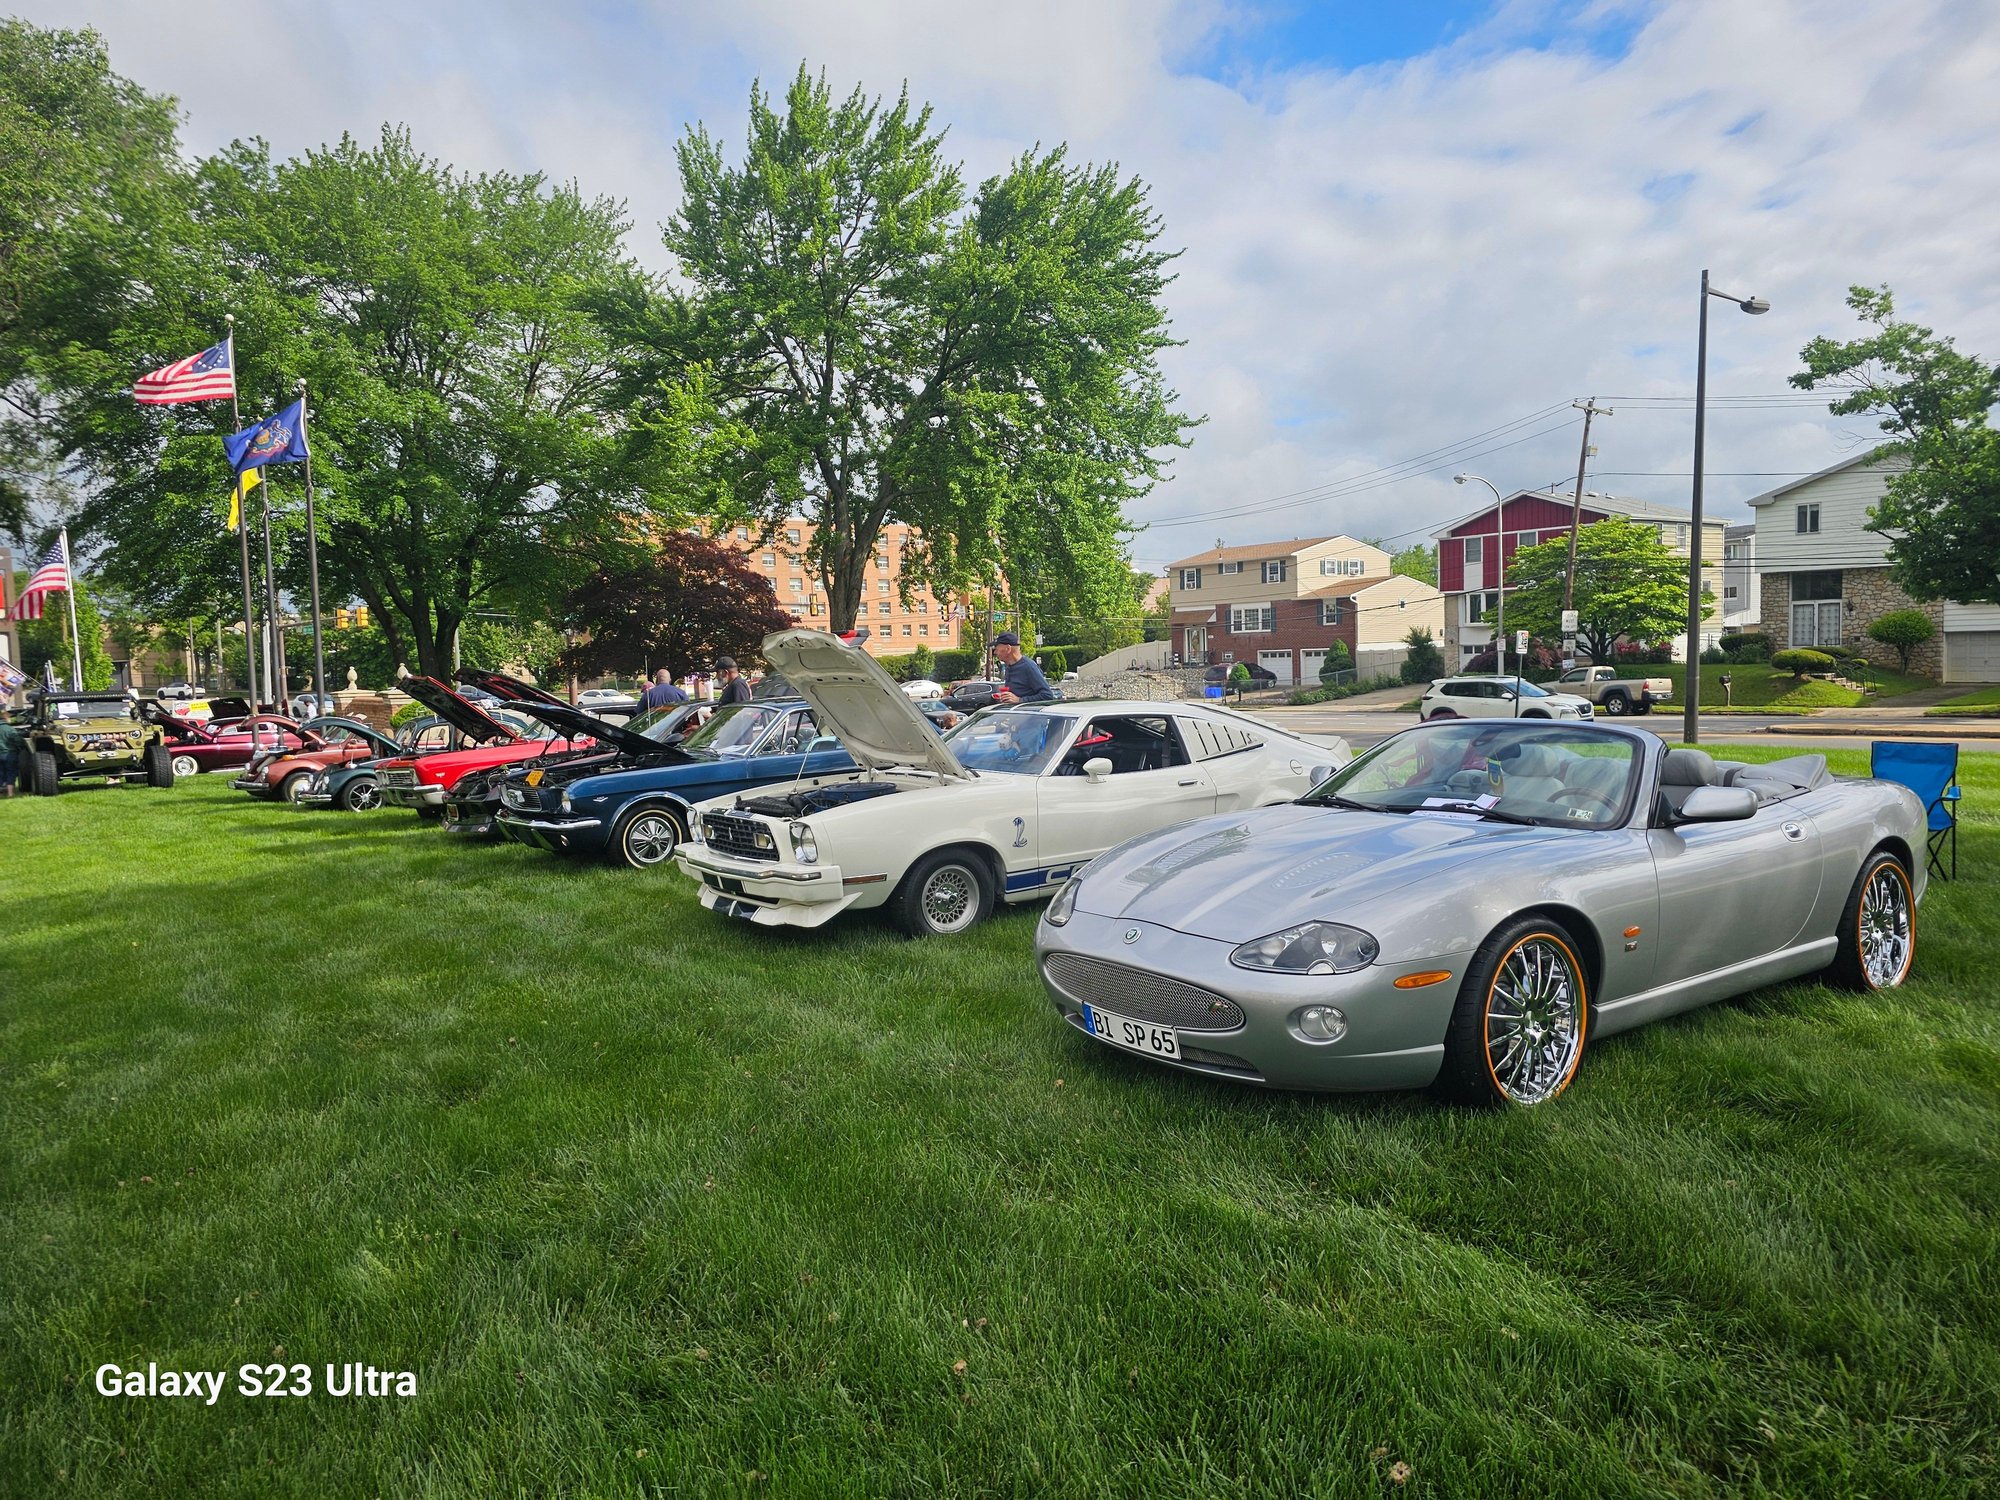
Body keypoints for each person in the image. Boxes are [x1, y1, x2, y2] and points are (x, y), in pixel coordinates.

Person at [988, 632, 1055, 705]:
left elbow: (1047, 695)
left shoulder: (1028, 667)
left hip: (1029, 715)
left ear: (1008, 649)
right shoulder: (1008, 667)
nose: (995, 652)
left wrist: (1020, 700)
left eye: (997, 649)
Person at [0, 712, 21, 796]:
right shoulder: (10, 729)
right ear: (6, 719)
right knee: (11, 773)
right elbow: (18, 741)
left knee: (0, 773)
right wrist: (20, 749)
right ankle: (10, 793)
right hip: (10, 754)